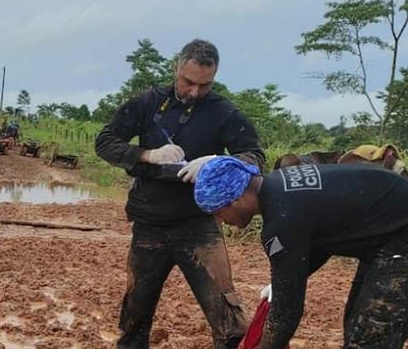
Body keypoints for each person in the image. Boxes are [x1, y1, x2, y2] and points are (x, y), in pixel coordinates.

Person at [95, 39, 265, 349]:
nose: (195, 92)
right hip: (149, 224)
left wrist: (217, 162)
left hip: (199, 225)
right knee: (135, 318)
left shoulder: (223, 112)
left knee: (229, 318)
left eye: (205, 85)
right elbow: (105, 142)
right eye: (189, 82)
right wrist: (148, 155)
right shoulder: (147, 104)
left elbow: (254, 156)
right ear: (177, 69)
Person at [195, 157, 408, 349]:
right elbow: (323, 239)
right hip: (388, 238)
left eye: (218, 211)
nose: (220, 221)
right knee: (356, 326)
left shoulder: (281, 220)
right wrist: (284, 281)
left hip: (398, 245)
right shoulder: (278, 186)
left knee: (370, 338)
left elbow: (285, 314)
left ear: (237, 198)